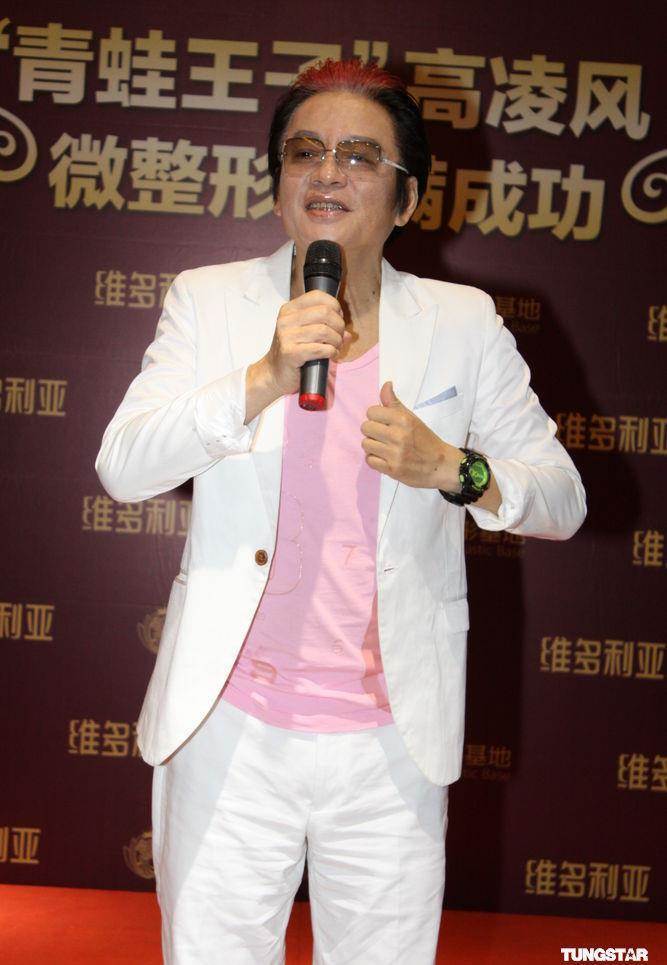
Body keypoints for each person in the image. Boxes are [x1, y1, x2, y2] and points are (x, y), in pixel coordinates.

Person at [96, 59, 586, 965]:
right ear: (277, 182)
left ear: (408, 198)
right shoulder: (209, 301)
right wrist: (261, 377)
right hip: (228, 725)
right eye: (304, 152)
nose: (326, 173)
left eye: (359, 156)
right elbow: (123, 465)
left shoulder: (462, 322)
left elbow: (561, 497)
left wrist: (454, 468)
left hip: (389, 741)